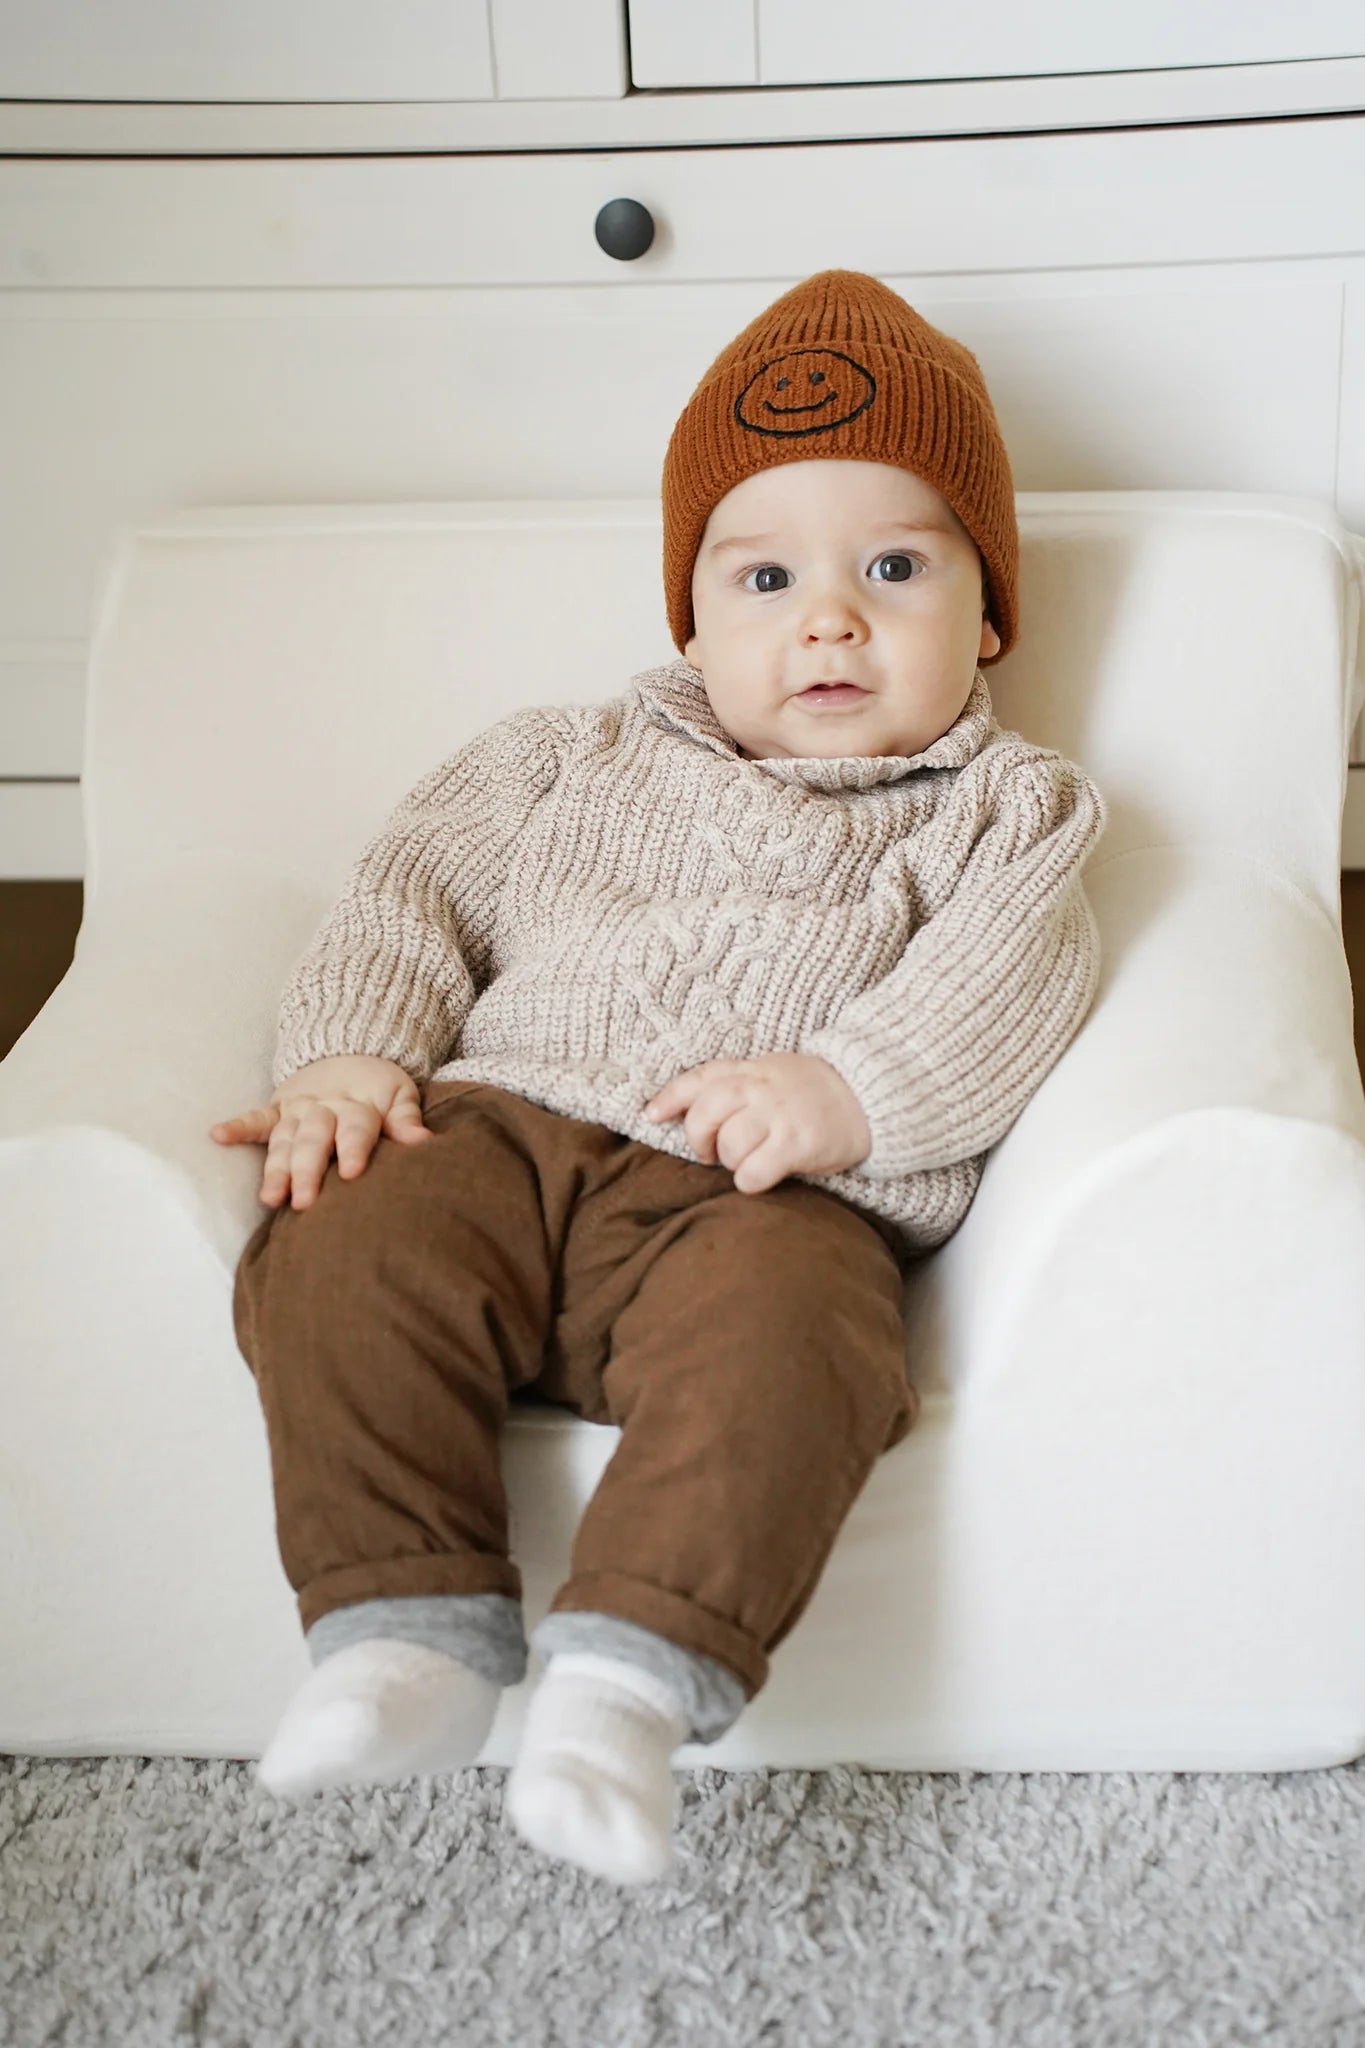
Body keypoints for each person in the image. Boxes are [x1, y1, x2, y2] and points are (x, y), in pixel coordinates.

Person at [213, 269, 1109, 1886]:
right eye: (764, 576)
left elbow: (1009, 978)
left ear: (988, 618)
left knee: (803, 1344)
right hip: (497, 1126)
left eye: (894, 568)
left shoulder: (1004, 807)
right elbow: (408, 896)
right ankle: (399, 1628)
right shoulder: (560, 758)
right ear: (691, 622)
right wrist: (351, 1055)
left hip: (755, 1196)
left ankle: (623, 1687)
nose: (827, 618)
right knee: (341, 1234)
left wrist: (845, 1088)